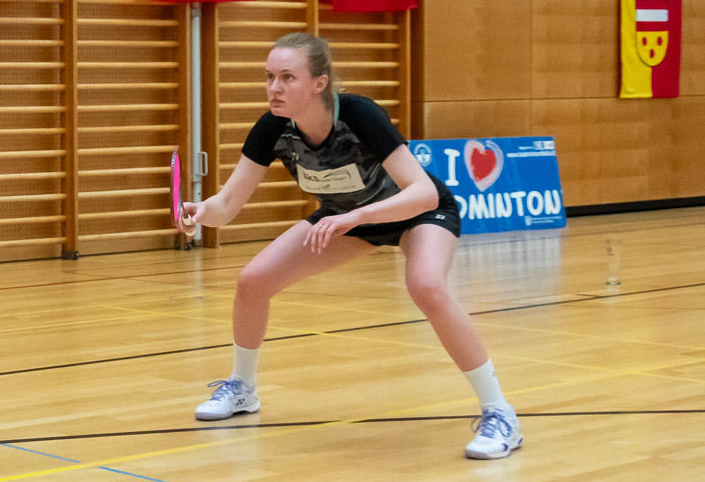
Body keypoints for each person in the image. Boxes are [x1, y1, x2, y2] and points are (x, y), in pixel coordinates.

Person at [178, 33, 521, 460]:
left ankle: (500, 413)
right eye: (269, 77)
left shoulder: (359, 115)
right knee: (254, 281)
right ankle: (242, 388)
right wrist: (200, 212)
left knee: (427, 287)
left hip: (414, 214)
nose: (274, 88)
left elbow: (423, 193)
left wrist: (358, 217)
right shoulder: (272, 128)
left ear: (319, 83)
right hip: (346, 218)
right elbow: (227, 206)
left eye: (287, 77)